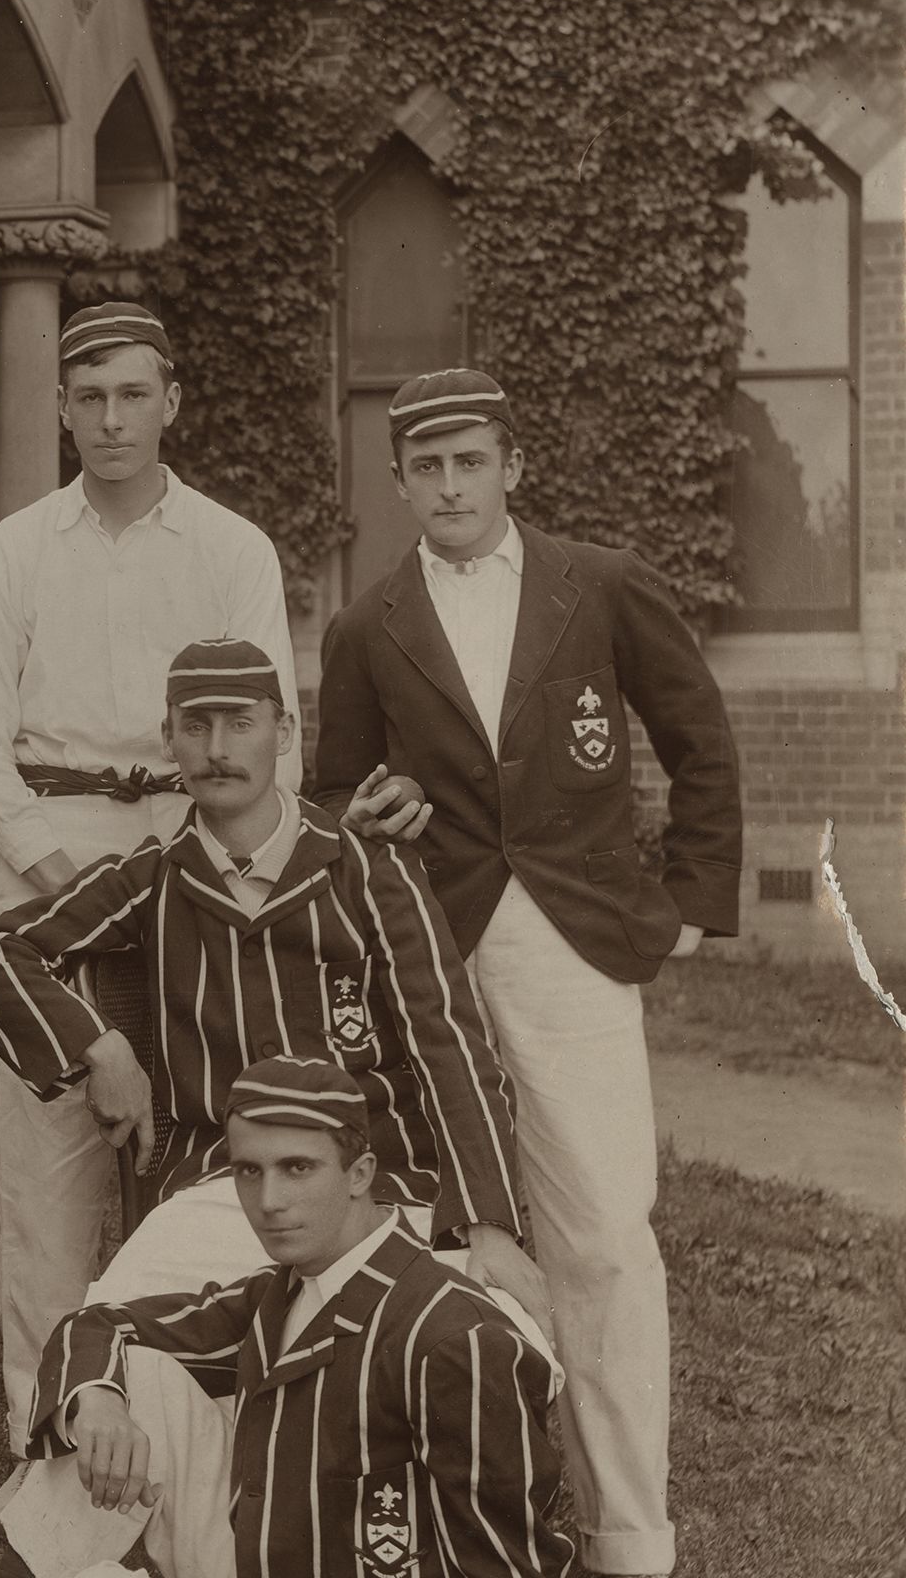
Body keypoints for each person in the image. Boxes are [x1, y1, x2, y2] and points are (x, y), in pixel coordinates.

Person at [313, 368, 742, 1578]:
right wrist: (366, 807)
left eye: (470, 461)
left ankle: (628, 1533)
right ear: (397, 481)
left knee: (602, 1232)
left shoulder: (595, 586)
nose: (449, 486)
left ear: (512, 464)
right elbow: (331, 785)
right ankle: (483, 1512)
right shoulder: (367, 623)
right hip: (435, 950)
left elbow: (695, 732)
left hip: (573, 939)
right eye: (426, 466)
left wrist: (695, 901)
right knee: (458, 1231)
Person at [0, 637, 545, 1318]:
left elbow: (453, 1049)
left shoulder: (370, 871)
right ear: (167, 738)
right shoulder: (149, 880)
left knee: (477, 1342)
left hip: (373, 1186)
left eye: (241, 723)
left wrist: (489, 1224)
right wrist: (102, 1049)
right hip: (219, 1192)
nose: (217, 748)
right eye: (195, 726)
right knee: (117, 1347)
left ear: (284, 733)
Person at [0, 300, 300, 1442]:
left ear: (170, 402)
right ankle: (42, 1443)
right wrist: (51, 876)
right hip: (45, 862)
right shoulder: (11, 550)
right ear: (58, 410)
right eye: (87, 397)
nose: (109, 418)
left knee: (197, 1144)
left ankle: (204, 1429)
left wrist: (207, 870)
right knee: (47, 1179)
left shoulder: (232, 548)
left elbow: (263, 724)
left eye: (132, 393)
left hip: (192, 859)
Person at [0, 1057, 574, 1578]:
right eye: (249, 1171)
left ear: (361, 1174)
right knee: (125, 1377)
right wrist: (97, 1401)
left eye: (298, 1169)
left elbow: (507, 1563)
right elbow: (96, 1324)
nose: (269, 1201)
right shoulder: (281, 1295)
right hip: (254, 1555)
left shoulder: (456, 1336)